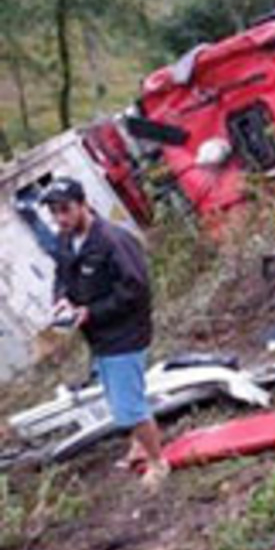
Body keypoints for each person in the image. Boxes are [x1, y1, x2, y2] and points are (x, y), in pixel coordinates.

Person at [42, 177, 169, 488]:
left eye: (66, 210)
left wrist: (92, 312)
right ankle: (139, 445)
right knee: (116, 394)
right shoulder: (64, 239)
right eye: (54, 212)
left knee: (130, 407)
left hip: (125, 334)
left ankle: (158, 462)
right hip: (98, 336)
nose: (60, 218)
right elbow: (62, 274)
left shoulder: (114, 240)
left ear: (83, 204)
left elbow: (136, 290)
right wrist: (61, 300)